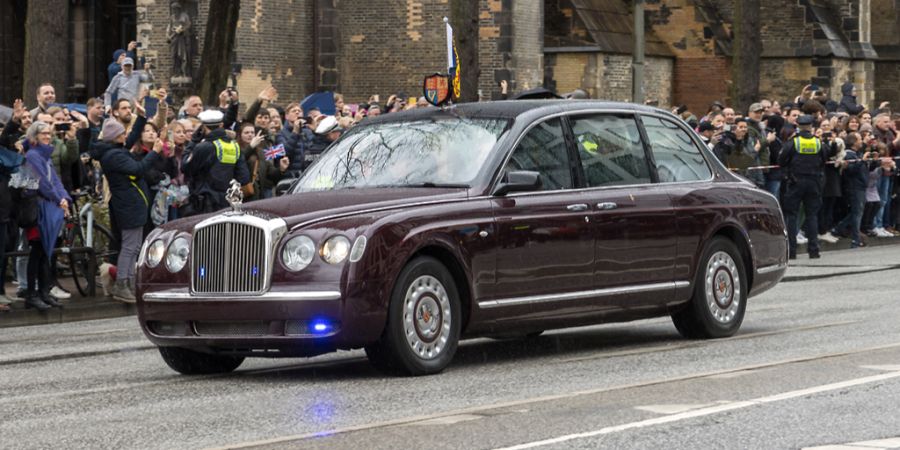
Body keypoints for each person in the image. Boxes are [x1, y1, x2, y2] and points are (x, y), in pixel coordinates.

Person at [95, 118, 162, 301]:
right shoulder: (114, 156)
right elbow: (139, 168)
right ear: (116, 137)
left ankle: (131, 282)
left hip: (133, 204)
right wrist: (155, 152)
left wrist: (140, 118)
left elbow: (131, 139)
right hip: (128, 205)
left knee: (135, 246)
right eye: (122, 133)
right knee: (130, 247)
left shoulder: (115, 151)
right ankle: (122, 284)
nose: (126, 136)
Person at [22, 121, 72, 310]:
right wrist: (59, 199)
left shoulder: (46, 156)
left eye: (49, 133)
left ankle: (44, 291)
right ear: (34, 136)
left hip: (49, 208)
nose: (47, 137)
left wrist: (64, 197)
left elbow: (56, 181)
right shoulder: (33, 155)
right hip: (38, 209)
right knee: (37, 252)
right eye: (43, 133)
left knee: (45, 253)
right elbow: (42, 183)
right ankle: (32, 294)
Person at [779, 115, 832, 259]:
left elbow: (781, 160)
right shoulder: (818, 143)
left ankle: (792, 251)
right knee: (812, 216)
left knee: (792, 215)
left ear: (798, 126)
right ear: (810, 127)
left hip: (796, 182)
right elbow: (825, 158)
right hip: (814, 182)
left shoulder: (793, 143)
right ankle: (814, 250)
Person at [181, 110, 250, 214]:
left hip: (204, 204)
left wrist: (193, 142)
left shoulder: (204, 147)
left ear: (203, 127)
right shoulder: (234, 146)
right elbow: (244, 178)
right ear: (221, 125)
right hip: (228, 203)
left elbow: (185, 167)